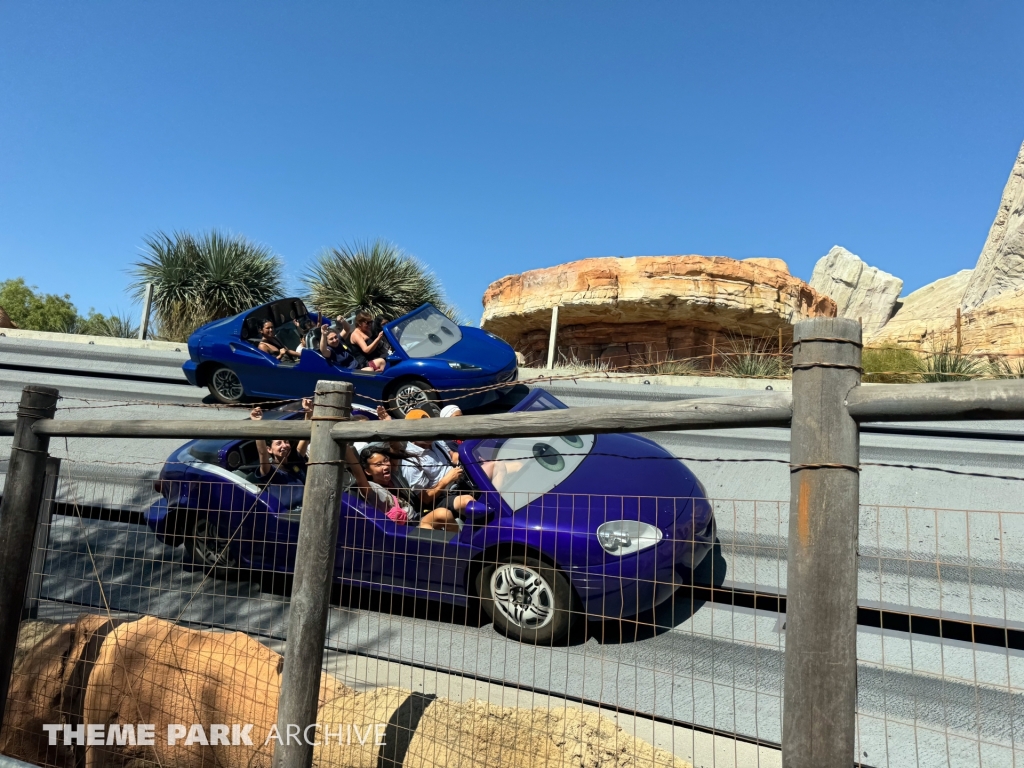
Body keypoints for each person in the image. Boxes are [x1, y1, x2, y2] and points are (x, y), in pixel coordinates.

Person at [344, 443, 458, 532]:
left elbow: (395, 447)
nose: (385, 466)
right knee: (426, 530)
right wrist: (347, 449)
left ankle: (461, 550)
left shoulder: (393, 476)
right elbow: (358, 472)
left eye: (386, 461)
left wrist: (387, 422)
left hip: (415, 518)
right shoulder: (371, 489)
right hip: (401, 529)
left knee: (444, 513)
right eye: (378, 465)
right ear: (368, 471)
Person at [398, 410, 475, 515]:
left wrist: (472, 458)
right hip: (441, 497)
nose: (429, 433)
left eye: (430, 427)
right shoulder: (410, 461)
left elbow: (452, 455)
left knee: (495, 467)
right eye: (422, 430)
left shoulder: (436, 441)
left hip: (459, 481)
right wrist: (446, 480)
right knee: (467, 501)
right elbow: (425, 498)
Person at [248, 406, 307, 484]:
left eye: (286, 442)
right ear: (269, 449)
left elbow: (305, 437)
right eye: (279, 443)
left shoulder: (295, 461)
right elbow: (262, 453)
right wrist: (257, 424)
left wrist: (308, 411)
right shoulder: (270, 471)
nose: (284, 445)